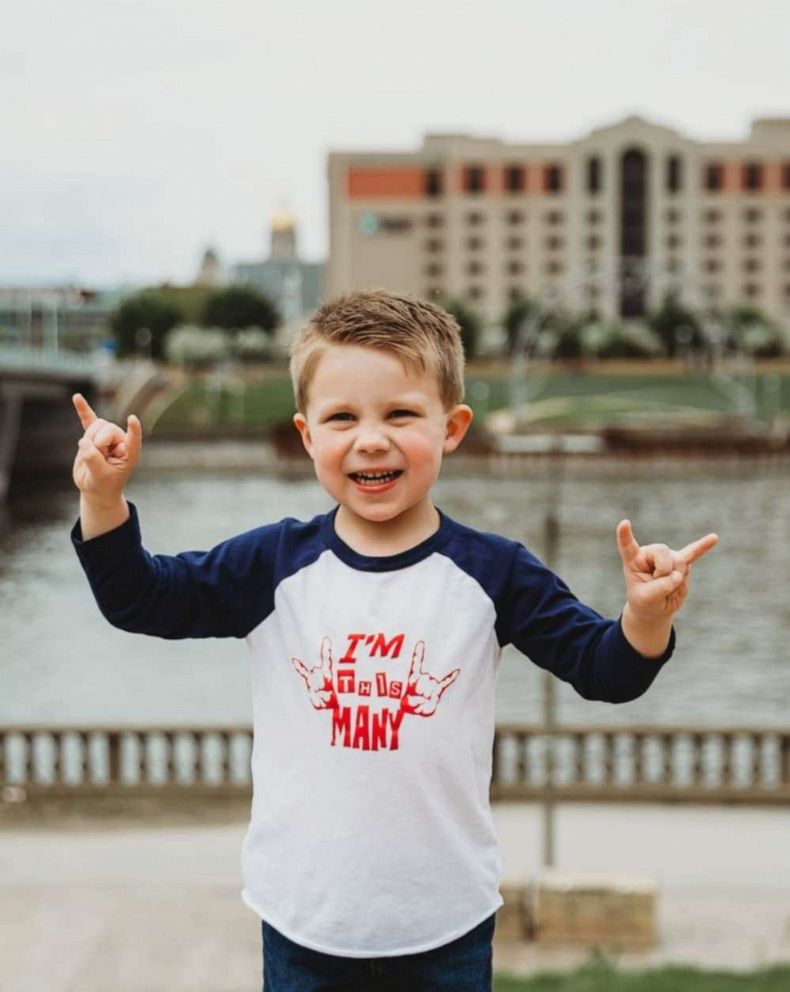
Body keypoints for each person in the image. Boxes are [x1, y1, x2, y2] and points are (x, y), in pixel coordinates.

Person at [70, 290, 718, 992]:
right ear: (307, 434)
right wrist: (104, 501)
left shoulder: (493, 572)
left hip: (445, 924)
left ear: (453, 426)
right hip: (304, 922)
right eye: (342, 417)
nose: (371, 439)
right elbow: (140, 599)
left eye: (401, 414)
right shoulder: (272, 566)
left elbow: (606, 671)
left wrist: (647, 617)